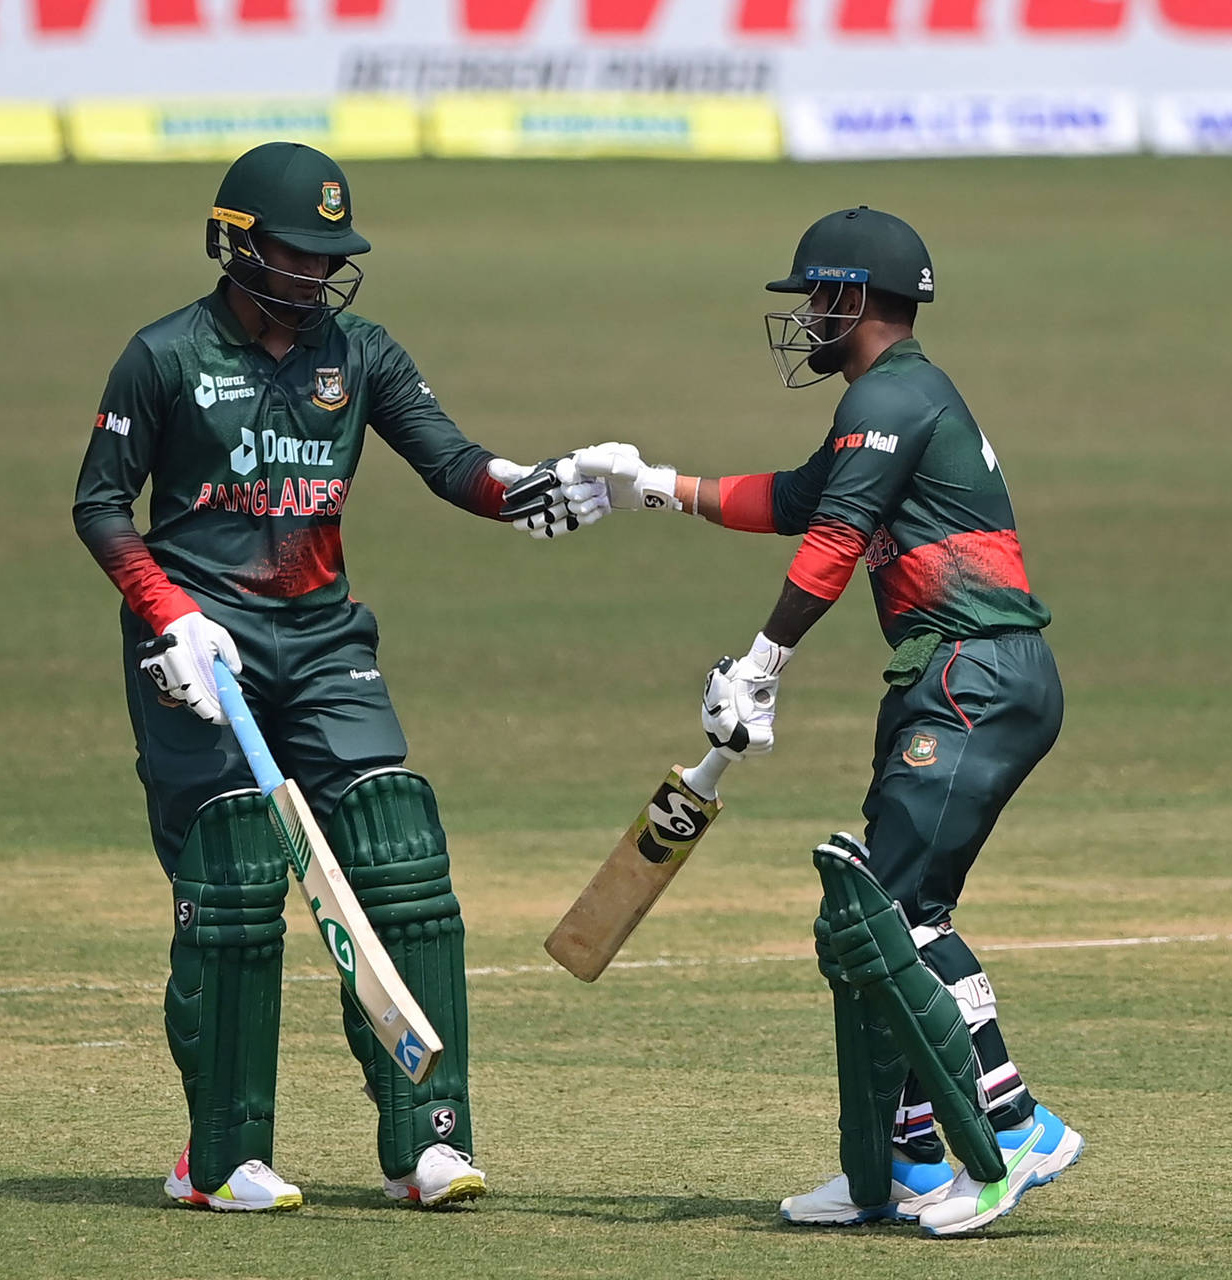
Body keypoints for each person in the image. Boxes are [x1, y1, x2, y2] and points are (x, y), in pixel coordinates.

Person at [72, 141, 606, 1212]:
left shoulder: (360, 354)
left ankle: (430, 1139)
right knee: (230, 879)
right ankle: (221, 1158)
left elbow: (455, 462)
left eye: (330, 256)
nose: (316, 274)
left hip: (321, 643)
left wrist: (532, 486)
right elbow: (100, 504)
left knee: (395, 844)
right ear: (236, 243)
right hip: (199, 651)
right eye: (295, 252)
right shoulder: (164, 356)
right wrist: (168, 616)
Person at [568, 206, 1082, 1235]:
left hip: (975, 673)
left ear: (860, 298)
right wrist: (654, 486)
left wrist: (759, 666)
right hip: (946, 676)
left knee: (894, 916)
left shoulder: (895, 394)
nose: (806, 314)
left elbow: (837, 541)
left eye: (818, 296)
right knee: (865, 922)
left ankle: (1019, 1125)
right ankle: (893, 1165)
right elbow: (805, 497)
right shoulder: (883, 404)